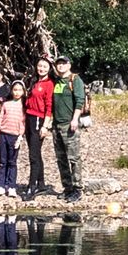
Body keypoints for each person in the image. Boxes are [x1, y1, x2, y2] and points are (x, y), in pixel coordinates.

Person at [49, 56, 91, 204]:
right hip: (56, 125)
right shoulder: (56, 81)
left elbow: (79, 100)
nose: (61, 66)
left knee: (74, 157)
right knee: (61, 158)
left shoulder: (75, 80)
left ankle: (78, 188)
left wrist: (75, 119)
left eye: (63, 63)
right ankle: (67, 188)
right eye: (58, 64)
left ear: (69, 65)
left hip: (70, 124)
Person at [22, 60, 55, 196]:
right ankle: (41, 183)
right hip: (29, 117)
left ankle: (32, 185)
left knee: (33, 155)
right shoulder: (34, 81)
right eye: (40, 66)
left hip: (39, 119)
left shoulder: (49, 84)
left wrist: (45, 126)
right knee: (35, 152)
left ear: (49, 69)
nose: (41, 68)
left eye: (44, 66)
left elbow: (49, 106)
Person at [0, 77, 25, 197]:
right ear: (11, 91)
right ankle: (0, 185)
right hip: (3, 135)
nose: (17, 92)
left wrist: (20, 136)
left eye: (20, 90)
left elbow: (23, 123)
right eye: (15, 90)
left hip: (15, 136)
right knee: (3, 161)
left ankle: (11, 186)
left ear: (23, 92)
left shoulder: (23, 106)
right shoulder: (6, 104)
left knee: (12, 162)